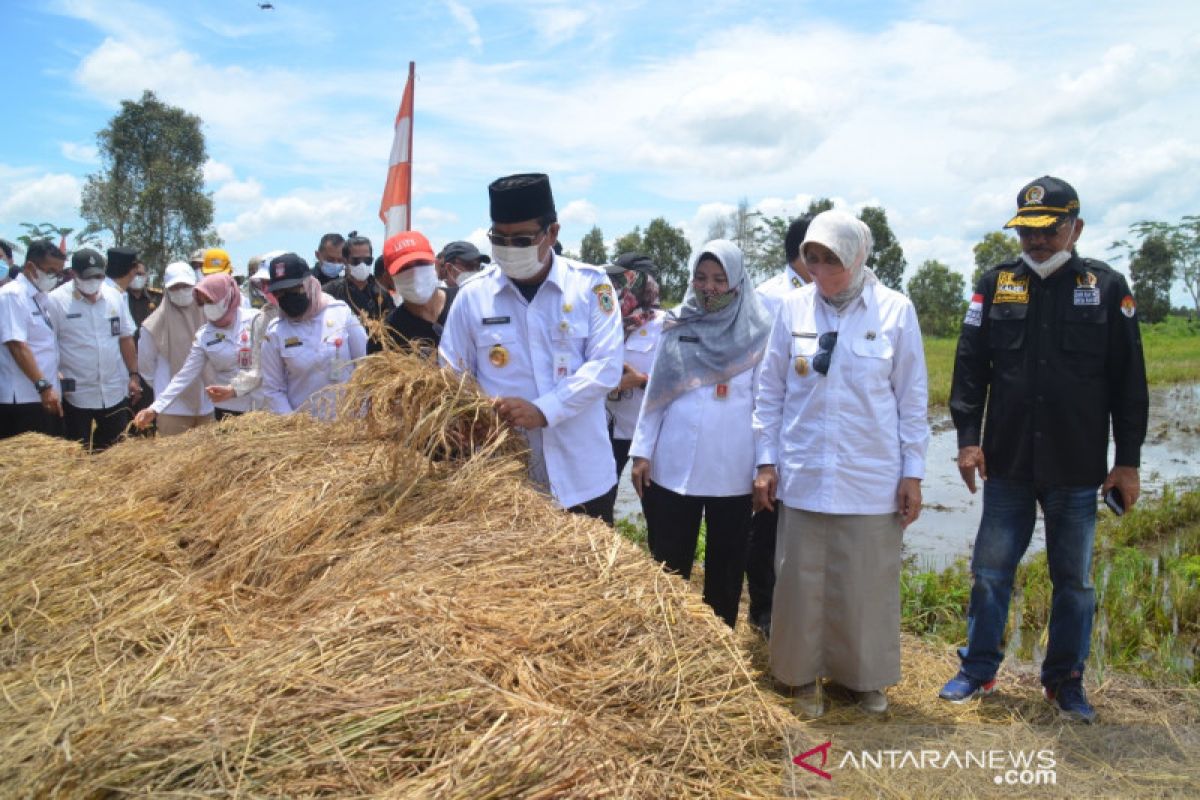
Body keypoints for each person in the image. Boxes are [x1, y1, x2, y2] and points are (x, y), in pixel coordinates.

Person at [938, 177, 1149, 723]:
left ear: (1075, 228)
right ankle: (978, 669)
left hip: (1077, 468)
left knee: (1073, 582)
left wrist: (1126, 462)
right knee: (990, 572)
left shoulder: (1105, 287)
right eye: (1026, 230)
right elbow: (969, 369)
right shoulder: (996, 284)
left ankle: (1064, 681)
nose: (1035, 240)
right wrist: (968, 441)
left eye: (1048, 229)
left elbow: (1130, 383)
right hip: (1007, 462)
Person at [754, 210, 928, 717]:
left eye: (832, 259)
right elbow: (769, 392)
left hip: (869, 474)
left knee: (866, 582)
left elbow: (912, 399)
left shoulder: (895, 310)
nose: (822, 269)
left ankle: (863, 679)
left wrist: (912, 472)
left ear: (856, 257)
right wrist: (766, 462)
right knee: (801, 581)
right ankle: (799, 678)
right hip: (806, 472)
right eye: (813, 258)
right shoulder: (792, 310)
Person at [439, 173, 623, 522]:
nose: (510, 249)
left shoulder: (590, 286)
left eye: (522, 239)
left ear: (552, 233)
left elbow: (606, 366)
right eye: (500, 238)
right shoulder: (473, 297)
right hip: (507, 483)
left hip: (584, 479)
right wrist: (477, 411)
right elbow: (452, 377)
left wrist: (545, 410)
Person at [628, 240, 770, 628]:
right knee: (667, 565)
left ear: (738, 282)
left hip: (732, 474)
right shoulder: (677, 323)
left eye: (719, 279)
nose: (709, 287)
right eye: (701, 277)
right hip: (673, 469)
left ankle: (720, 648)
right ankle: (667, 642)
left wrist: (765, 466)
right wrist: (642, 452)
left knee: (726, 570)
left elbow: (765, 407)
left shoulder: (758, 334)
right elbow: (656, 392)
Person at [746, 214, 816, 637]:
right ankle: (763, 610)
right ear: (805, 253)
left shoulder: (828, 297)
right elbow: (759, 378)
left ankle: (795, 610)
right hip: (774, 430)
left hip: (809, 435)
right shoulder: (770, 297)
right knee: (767, 522)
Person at [134, 273, 262, 430]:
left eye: (211, 300)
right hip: (229, 412)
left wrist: (234, 389)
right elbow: (185, 375)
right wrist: (155, 408)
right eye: (203, 303)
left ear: (228, 296)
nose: (207, 307)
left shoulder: (256, 320)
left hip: (263, 408)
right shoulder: (205, 335)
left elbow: (261, 367)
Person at [46, 249, 141, 450]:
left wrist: (133, 374)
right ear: (74, 274)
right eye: (87, 277)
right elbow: (49, 343)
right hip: (76, 394)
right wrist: (54, 376)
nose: (93, 281)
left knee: (113, 451)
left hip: (113, 390)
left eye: (98, 276)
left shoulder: (115, 296)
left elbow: (125, 338)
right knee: (76, 453)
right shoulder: (55, 301)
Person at [259, 252, 367, 417]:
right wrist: (294, 424)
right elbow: (273, 389)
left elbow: (365, 364)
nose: (287, 297)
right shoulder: (275, 332)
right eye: (280, 293)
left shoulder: (340, 313)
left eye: (294, 289)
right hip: (306, 431)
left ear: (308, 283)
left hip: (350, 423)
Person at [603, 252, 665, 481]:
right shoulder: (607, 321)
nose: (614, 286)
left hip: (649, 432)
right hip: (608, 426)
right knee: (600, 500)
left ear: (640, 282)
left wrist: (641, 381)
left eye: (621, 280)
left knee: (655, 504)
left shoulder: (666, 325)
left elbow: (680, 380)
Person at [138, 262, 214, 435]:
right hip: (172, 408)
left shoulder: (209, 315)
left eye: (185, 286)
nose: (181, 291)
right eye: (175, 287)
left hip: (206, 404)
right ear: (167, 290)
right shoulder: (153, 325)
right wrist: (164, 386)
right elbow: (146, 367)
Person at [0, 239, 66, 438]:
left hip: (41, 397)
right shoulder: (12, 295)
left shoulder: (39, 298)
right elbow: (17, 345)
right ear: (30, 267)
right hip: (22, 400)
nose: (54, 277)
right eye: (50, 271)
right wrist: (43, 386)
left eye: (59, 272)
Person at [323, 232, 395, 352]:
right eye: (356, 261)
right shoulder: (331, 292)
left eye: (367, 261)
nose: (362, 265)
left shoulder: (382, 294)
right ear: (345, 261)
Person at [383, 230, 455, 350]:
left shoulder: (465, 301)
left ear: (436, 264)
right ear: (389, 278)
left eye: (421, 262)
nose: (415, 273)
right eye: (404, 268)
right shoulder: (386, 336)